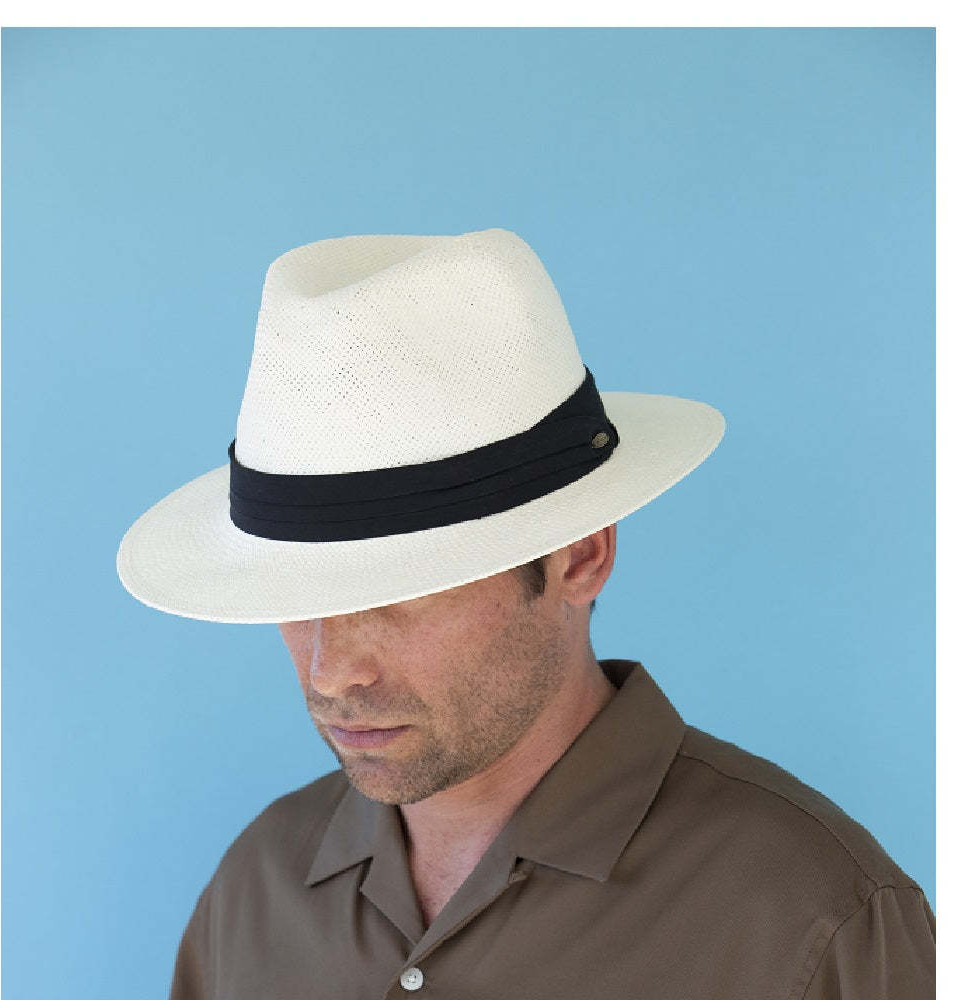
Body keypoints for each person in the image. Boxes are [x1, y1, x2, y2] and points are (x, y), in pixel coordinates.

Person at [117, 228, 935, 999]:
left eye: (400, 595)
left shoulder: (812, 920)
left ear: (580, 556)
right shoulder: (256, 889)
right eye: (298, 602)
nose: (333, 673)